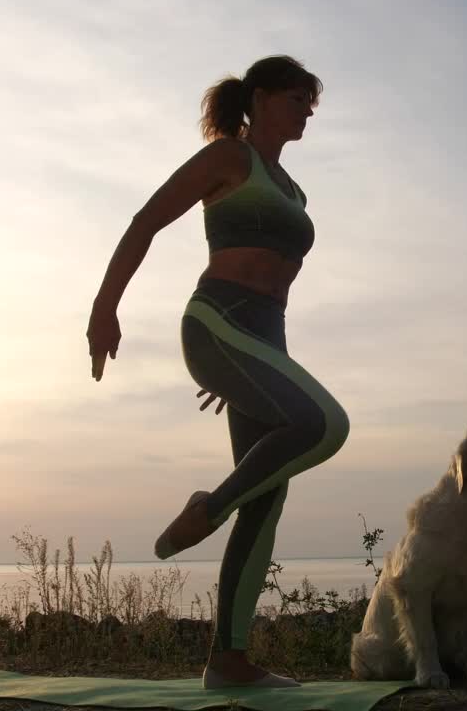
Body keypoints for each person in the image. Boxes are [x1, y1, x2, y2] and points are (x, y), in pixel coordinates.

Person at [85, 55, 349, 689]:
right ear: (257, 99)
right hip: (216, 324)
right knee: (325, 424)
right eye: (295, 97)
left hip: (260, 343)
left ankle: (227, 663)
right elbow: (145, 221)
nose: (306, 110)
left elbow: (276, 287)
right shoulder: (229, 160)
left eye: (311, 102)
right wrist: (104, 308)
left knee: (269, 495)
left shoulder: (294, 190)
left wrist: (252, 369)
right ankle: (210, 506)